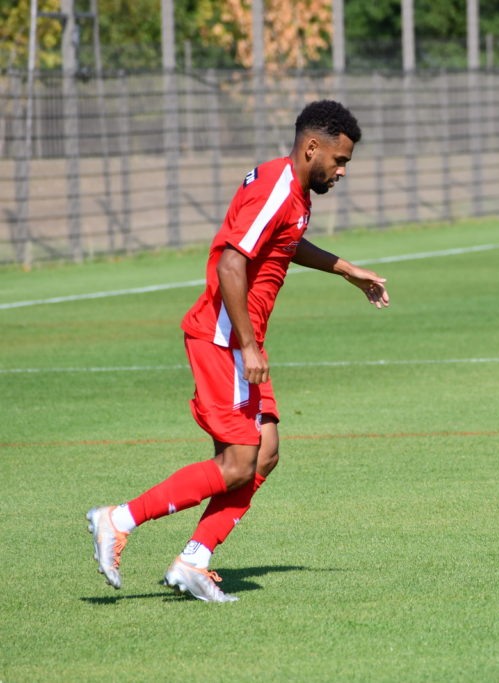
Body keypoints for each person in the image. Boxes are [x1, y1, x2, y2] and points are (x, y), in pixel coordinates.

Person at [86, 100, 389, 602]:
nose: (341, 171)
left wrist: (346, 270)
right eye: (339, 160)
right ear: (312, 147)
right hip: (224, 339)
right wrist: (248, 347)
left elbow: (285, 241)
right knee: (237, 464)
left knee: (264, 455)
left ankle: (194, 560)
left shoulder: (292, 192)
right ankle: (118, 520)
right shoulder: (277, 189)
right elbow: (231, 263)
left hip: (242, 340)